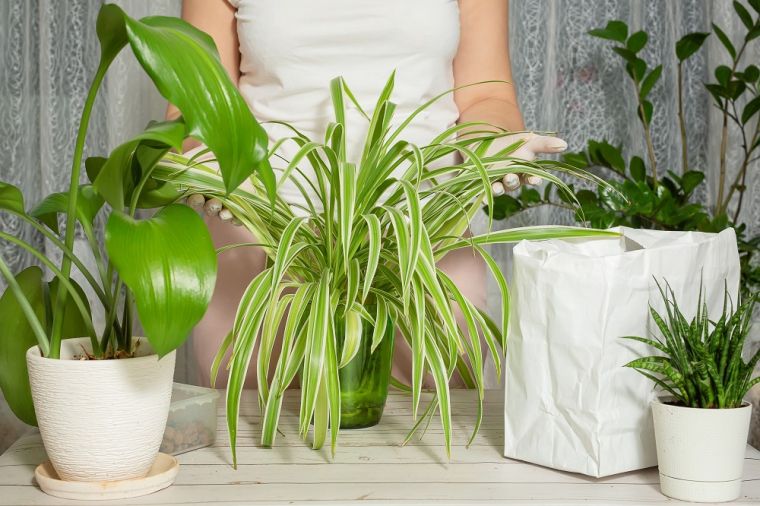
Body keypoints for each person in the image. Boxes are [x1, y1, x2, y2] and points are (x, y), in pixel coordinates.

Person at [171, 0, 567, 388]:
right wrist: (205, 157)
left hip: (424, 241)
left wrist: (494, 143)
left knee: (431, 412)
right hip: (261, 235)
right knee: (255, 417)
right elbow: (196, 103)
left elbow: (486, 96)